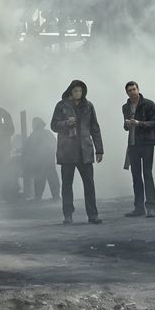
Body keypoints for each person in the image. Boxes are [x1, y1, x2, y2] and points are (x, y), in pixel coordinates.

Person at [51, 79, 104, 224]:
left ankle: (93, 215)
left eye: (80, 91)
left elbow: (95, 127)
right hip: (67, 151)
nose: (78, 93)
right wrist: (65, 123)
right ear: (70, 91)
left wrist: (99, 150)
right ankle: (68, 215)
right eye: (75, 91)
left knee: (89, 184)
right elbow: (53, 125)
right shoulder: (61, 106)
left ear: (83, 92)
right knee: (67, 185)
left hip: (85, 150)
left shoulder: (89, 106)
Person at [122, 81, 155, 217]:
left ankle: (151, 206)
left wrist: (139, 123)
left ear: (138, 89)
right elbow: (126, 126)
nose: (132, 92)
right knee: (136, 176)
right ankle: (139, 208)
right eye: (129, 90)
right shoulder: (125, 107)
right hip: (133, 144)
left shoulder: (149, 104)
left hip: (147, 143)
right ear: (127, 93)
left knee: (147, 174)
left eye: (134, 89)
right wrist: (127, 125)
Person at [21, 117, 61, 201]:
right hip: (48, 160)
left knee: (39, 178)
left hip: (40, 161)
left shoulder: (34, 135)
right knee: (51, 178)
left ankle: (38, 196)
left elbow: (26, 146)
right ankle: (56, 196)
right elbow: (54, 144)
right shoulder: (47, 133)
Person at [0, 102, 18, 201]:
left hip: (3, 146)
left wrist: (2, 135)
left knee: (5, 168)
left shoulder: (4, 114)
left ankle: (7, 193)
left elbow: (11, 129)